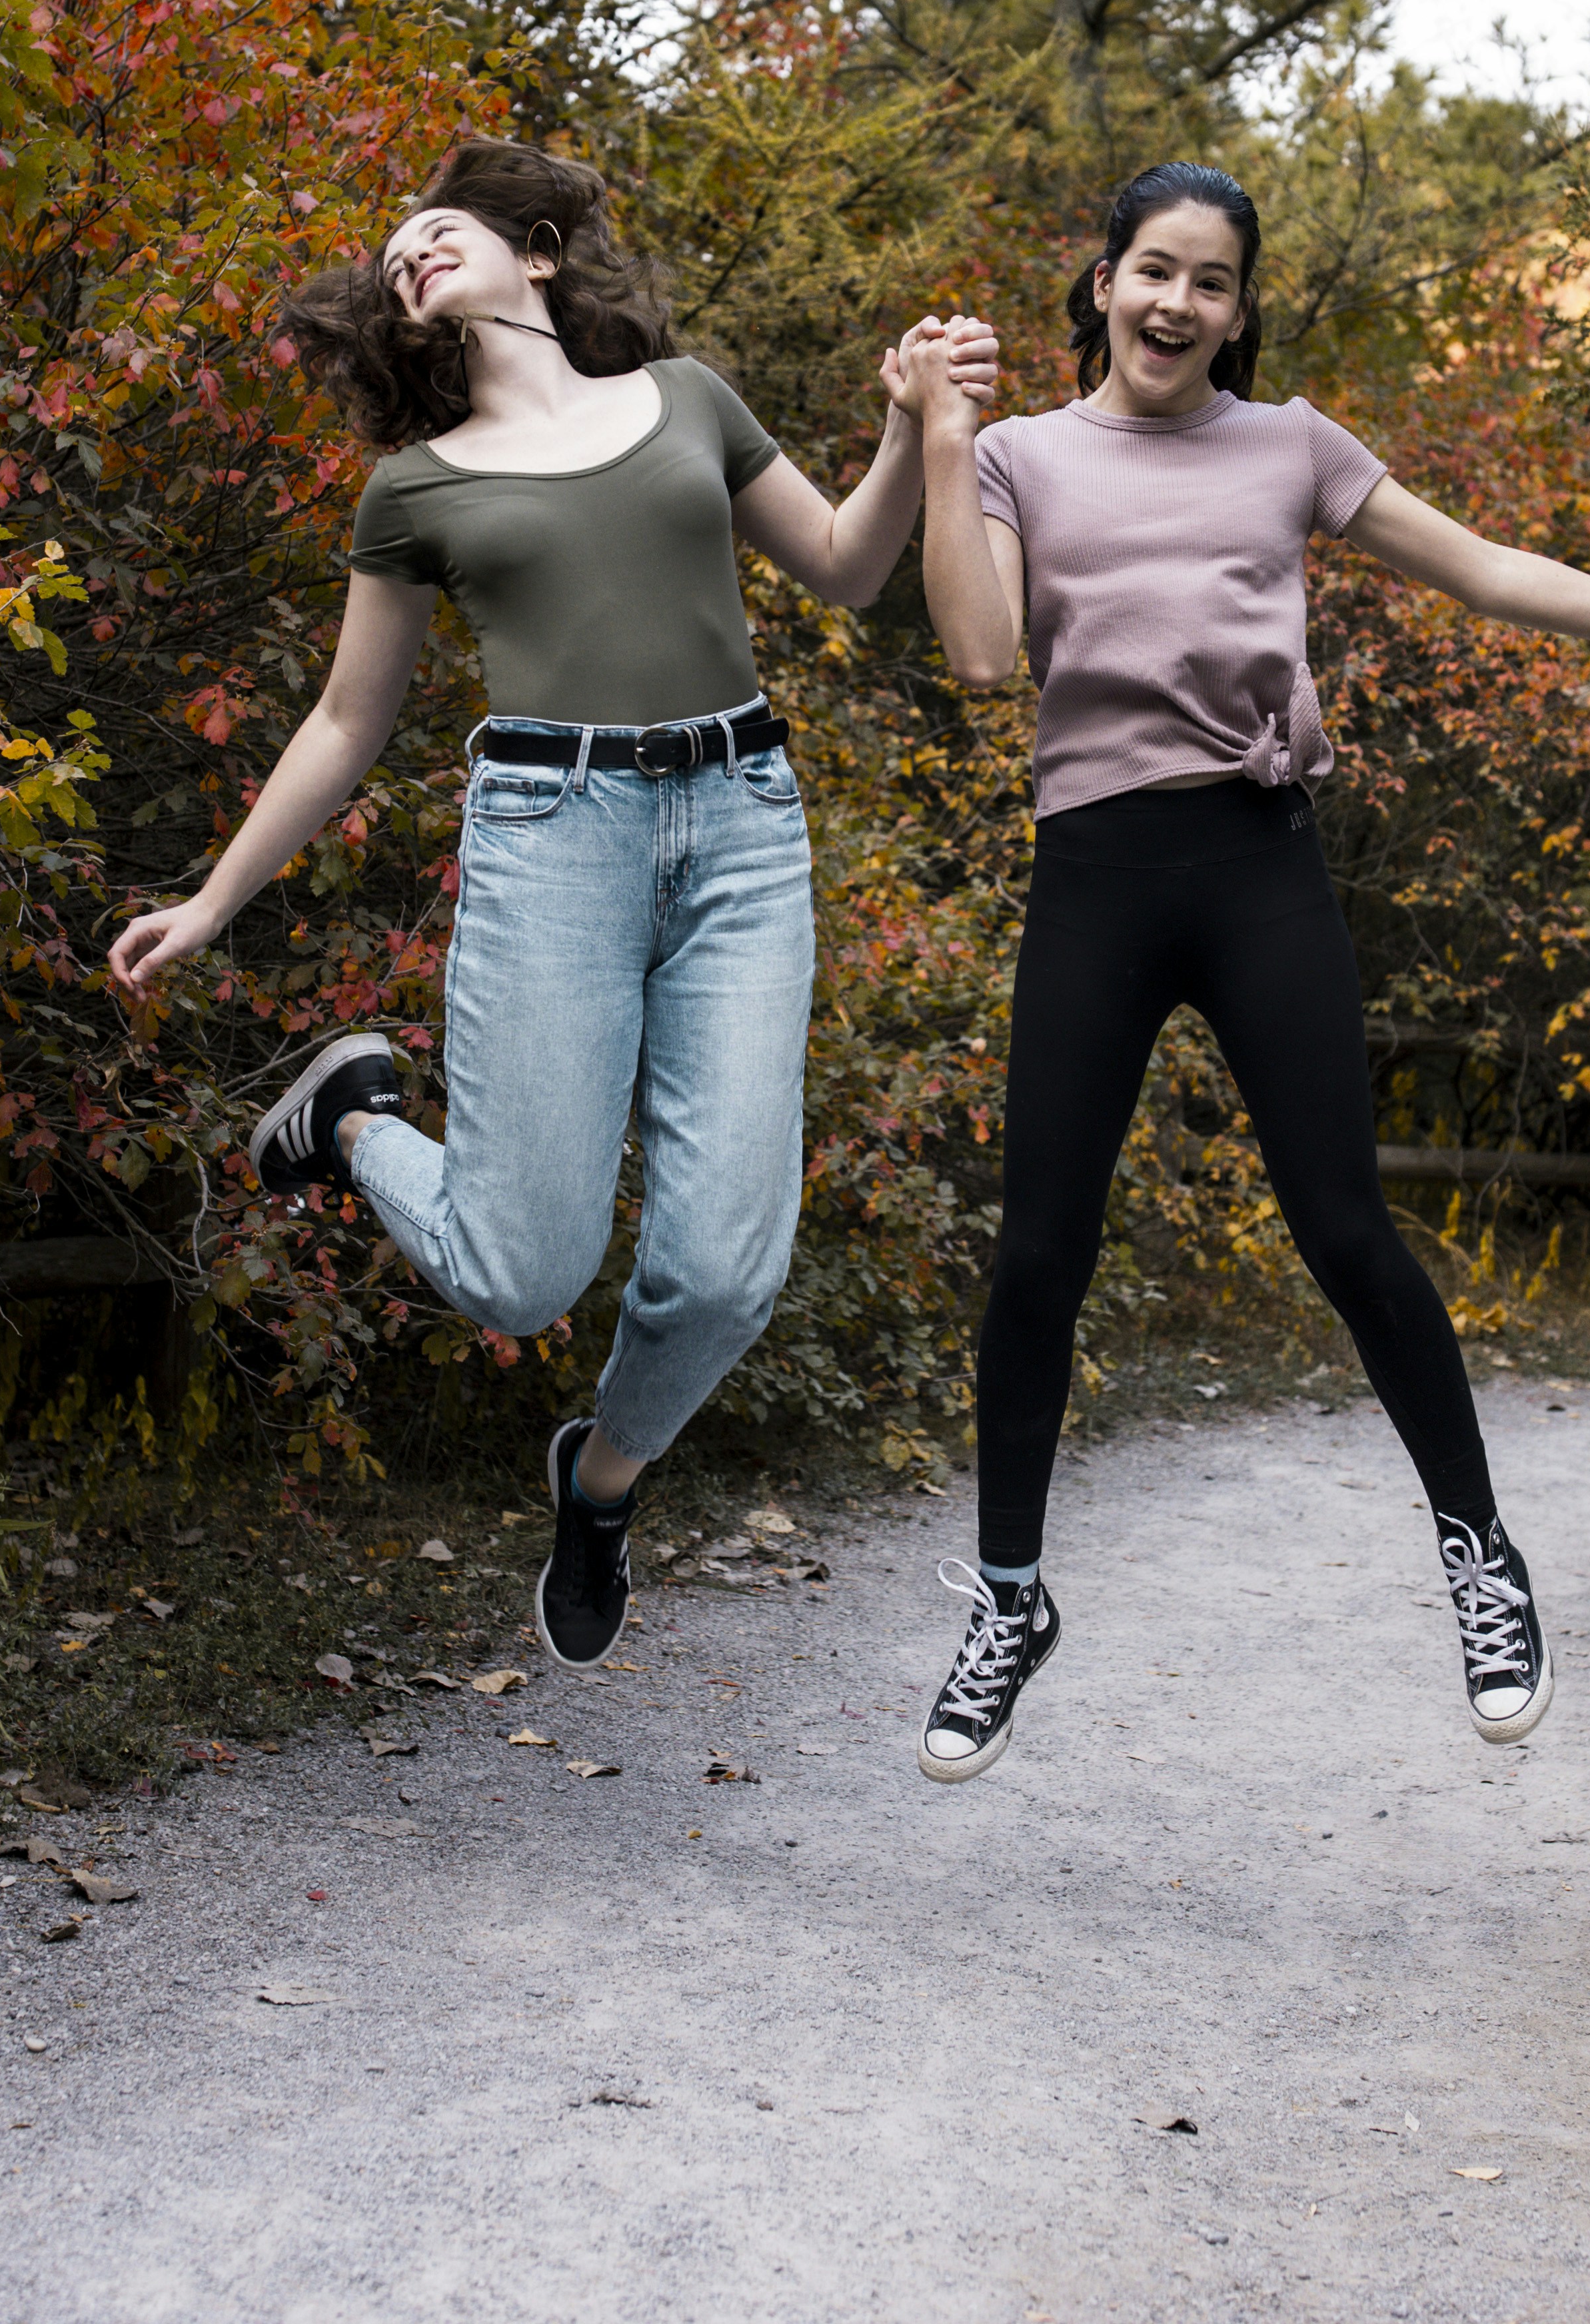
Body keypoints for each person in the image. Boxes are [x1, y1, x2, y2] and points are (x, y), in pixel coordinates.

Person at [896, 161, 1590, 1780]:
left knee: (1346, 1227)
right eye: (1152, 269)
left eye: (1211, 280)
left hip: (1258, 865)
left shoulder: (1292, 447)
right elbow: (985, 655)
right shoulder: (1015, 454)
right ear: (1104, 283)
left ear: (1240, 310)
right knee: (1038, 1252)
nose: (1176, 303)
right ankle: (1007, 1597)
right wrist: (932, 429)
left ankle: (1481, 1551)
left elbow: (1487, 568)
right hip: (1097, 875)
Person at [111, 139, 993, 1672]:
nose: (412, 260)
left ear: (531, 251)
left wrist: (915, 422)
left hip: (741, 825)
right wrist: (213, 895)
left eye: (435, 231)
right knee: (521, 1272)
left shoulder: (688, 399)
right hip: (549, 832)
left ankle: (602, 1484)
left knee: (725, 1268)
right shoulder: (416, 489)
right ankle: (350, 1121)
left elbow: (851, 570)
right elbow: (344, 722)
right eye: (394, 266)